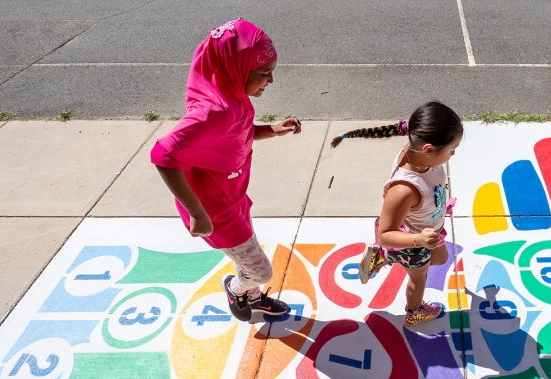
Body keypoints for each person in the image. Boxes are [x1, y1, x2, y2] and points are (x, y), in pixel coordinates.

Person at [151, 18, 300, 322]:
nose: (270, 81)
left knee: (247, 258)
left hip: (232, 196)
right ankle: (236, 289)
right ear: (236, 69)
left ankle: (253, 297)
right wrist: (197, 212)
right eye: (264, 73)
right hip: (214, 211)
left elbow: (237, 132)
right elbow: (162, 154)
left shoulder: (229, 96)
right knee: (260, 269)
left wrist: (271, 129)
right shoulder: (212, 112)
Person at [333, 102, 463, 327]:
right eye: (451, 150)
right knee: (418, 278)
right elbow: (386, 233)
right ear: (429, 150)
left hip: (429, 228)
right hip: (414, 242)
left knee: (441, 258)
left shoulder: (418, 154)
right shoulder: (404, 190)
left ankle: (385, 256)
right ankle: (414, 312)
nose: (453, 154)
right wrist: (418, 240)